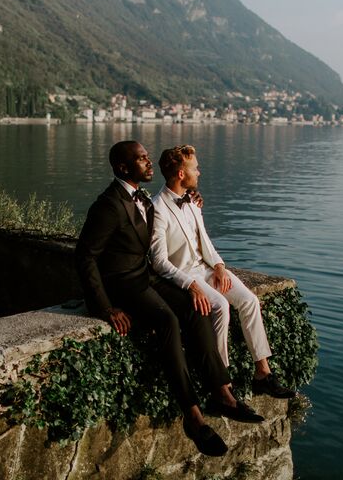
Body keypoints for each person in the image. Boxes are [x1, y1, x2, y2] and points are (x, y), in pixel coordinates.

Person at [75, 140, 263, 458]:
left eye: (149, 158)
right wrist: (105, 306)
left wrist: (191, 202)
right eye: (141, 159)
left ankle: (223, 394)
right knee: (167, 321)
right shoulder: (107, 205)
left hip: (146, 276)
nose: (149, 163)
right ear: (122, 167)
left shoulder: (145, 200)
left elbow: (156, 241)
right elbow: (85, 257)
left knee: (197, 307)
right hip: (123, 285)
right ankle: (193, 416)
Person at [150, 144, 295, 399]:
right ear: (181, 174)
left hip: (207, 269)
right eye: (195, 168)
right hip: (186, 275)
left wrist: (218, 266)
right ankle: (221, 381)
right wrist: (190, 285)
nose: (200, 172)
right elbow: (160, 261)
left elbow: (204, 241)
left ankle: (263, 372)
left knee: (249, 300)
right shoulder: (158, 208)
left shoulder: (193, 201)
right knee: (220, 306)